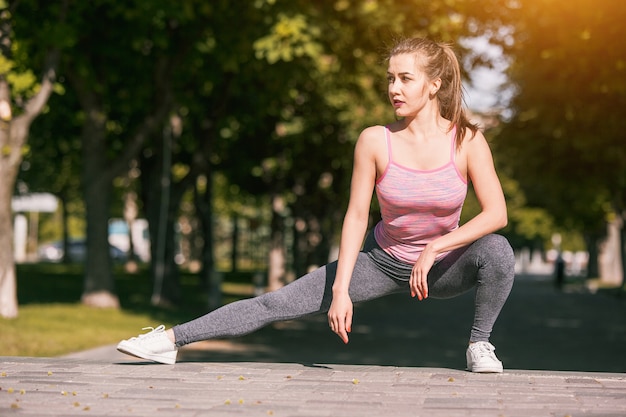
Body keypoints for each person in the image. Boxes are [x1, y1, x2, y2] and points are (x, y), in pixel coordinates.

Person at [117, 37, 515, 373]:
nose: (393, 88)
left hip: (442, 267)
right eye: (390, 78)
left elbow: (497, 214)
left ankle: (479, 344)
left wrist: (435, 247)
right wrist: (340, 289)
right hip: (382, 261)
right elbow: (357, 215)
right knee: (278, 302)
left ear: (434, 85)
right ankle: (169, 340)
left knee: (497, 251)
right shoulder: (375, 141)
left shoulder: (467, 140)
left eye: (405, 79)